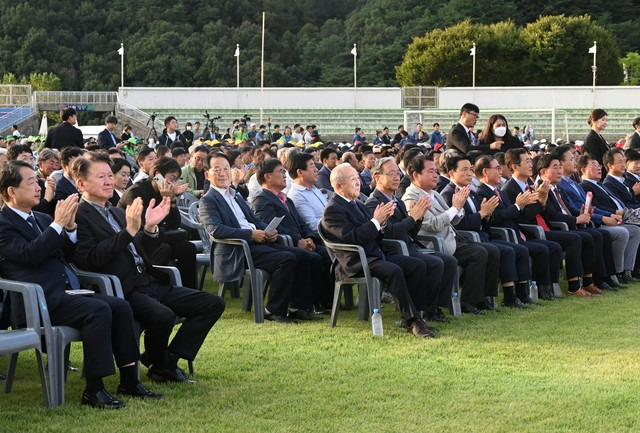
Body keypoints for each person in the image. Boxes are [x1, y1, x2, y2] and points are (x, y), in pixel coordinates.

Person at [0, 160, 162, 408]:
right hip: (36, 302)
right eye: (32, 182)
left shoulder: (42, 218)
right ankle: (94, 390)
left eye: (37, 181)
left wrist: (71, 227)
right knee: (98, 310)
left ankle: (129, 380)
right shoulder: (4, 224)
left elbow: (70, 253)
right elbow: (29, 255)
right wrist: (57, 225)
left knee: (120, 306)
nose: (39, 187)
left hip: (63, 294)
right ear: (11, 191)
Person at [72, 153, 225, 383]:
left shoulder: (115, 211)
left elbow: (141, 250)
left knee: (212, 303)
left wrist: (150, 229)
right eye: (100, 176)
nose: (108, 181)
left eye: (108, 176)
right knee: (163, 315)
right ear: (81, 183)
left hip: (149, 281)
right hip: (122, 289)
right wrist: (129, 232)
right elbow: (90, 259)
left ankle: (168, 361)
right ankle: (160, 364)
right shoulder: (79, 215)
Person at [199, 153, 317, 323]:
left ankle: (298, 306)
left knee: (304, 256)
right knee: (286, 258)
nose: (223, 173)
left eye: (226, 168)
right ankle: (273, 310)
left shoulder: (236, 195)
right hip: (238, 250)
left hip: (257, 244)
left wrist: (268, 231)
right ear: (207, 174)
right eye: (217, 169)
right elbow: (216, 230)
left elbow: (254, 221)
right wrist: (251, 235)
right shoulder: (208, 200)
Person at [321, 163, 436, 337]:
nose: (358, 183)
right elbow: (353, 237)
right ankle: (413, 322)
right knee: (394, 270)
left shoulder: (357, 204)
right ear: (338, 186)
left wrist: (385, 223)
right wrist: (376, 221)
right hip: (355, 261)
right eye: (353, 180)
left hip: (374, 256)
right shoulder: (332, 210)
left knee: (416, 265)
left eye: (358, 178)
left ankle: (417, 316)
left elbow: (377, 234)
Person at [365, 157, 458, 322]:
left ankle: (433, 307)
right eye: (391, 174)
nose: (396, 177)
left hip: (408, 246)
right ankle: (421, 311)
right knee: (432, 263)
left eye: (398, 173)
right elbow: (389, 233)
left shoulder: (397, 201)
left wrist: (418, 217)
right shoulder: (374, 203)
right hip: (392, 250)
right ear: (378, 177)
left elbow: (410, 232)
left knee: (448, 261)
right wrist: (412, 218)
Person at [402, 155, 495, 314]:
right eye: (430, 171)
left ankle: (480, 298)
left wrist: (458, 207)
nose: (436, 175)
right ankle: (466, 302)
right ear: (416, 175)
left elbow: (454, 220)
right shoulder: (411, 196)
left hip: (449, 239)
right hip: (433, 244)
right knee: (478, 253)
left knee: (489, 250)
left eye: (436, 171)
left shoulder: (434, 194)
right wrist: (454, 208)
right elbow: (432, 225)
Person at [502, 148, 597, 298]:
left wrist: (542, 201)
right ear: (514, 166)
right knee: (572, 239)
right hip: (529, 232)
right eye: (526, 161)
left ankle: (584, 281)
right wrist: (541, 201)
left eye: (529, 160)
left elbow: (542, 212)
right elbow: (522, 218)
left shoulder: (531, 186)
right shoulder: (510, 190)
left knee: (587, 235)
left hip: (541, 227)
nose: (530, 164)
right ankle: (569, 286)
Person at [440, 155, 532, 308]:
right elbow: (459, 225)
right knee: (495, 250)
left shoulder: (472, 192)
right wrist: (482, 214)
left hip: (481, 235)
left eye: (470, 170)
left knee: (514, 249)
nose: (469, 174)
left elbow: (483, 219)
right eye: (464, 170)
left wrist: (487, 216)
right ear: (451, 173)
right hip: (465, 239)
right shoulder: (448, 194)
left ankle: (491, 297)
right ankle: (475, 300)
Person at [475, 155, 562, 301]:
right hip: (502, 236)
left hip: (515, 233)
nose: (500, 171)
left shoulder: (499, 192)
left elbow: (517, 215)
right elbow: (495, 219)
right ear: (485, 172)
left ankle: (545, 287)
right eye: (496, 168)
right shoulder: (482, 192)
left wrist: (538, 202)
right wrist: (517, 206)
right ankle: (521, 293)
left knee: (551, 247)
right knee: (529, 249)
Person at [252, 158, 332, 312]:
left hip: (300, 241)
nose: (285, 175)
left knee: (329, 254)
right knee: (313, 257)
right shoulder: (262, 200)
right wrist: (298, 241)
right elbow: (272, 228)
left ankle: (321, 302)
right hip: (281, 244)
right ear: (268, 176)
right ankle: (305, 305)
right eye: (281, 172)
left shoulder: (285, 199)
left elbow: (301, 223)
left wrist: (309, 238)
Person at [556, 146, 636, 289]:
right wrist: (604, 218)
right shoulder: (565, 185)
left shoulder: (573, 184)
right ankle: (608, 275)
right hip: (581, 223)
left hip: (591, 219)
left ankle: (617, 273)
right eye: (572, 159)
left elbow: (590, 206)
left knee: (628, 231)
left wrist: (609, 215)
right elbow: (575, 208)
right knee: (611, 233)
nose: (575, 161)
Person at [119, 156, 195, 289]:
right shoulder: (136, 192)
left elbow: (174, 224)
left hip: (158, 236)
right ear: (157, 175)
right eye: (172, 178)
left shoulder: (163, 191)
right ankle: (156, 288)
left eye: (176, 180)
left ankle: (189, 290)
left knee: (187, 247)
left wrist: (170, 199)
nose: (173, 183)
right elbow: (142, 226)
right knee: (164, 249)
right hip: (135, 239)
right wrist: (165, 197)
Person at [287, 152, 328, 234]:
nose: (316, 170)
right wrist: (337, 221)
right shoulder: (296, 195)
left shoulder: (313, 188)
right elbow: (313, 226)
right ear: (300, 172)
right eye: (312, 166)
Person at [582, 109, 611, 179]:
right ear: (594, 121)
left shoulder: (599, 136)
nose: (605, 123)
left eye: (606, 120)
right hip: (602, 176)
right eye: (603, 120)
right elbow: (597, 160)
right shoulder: (592, 138)